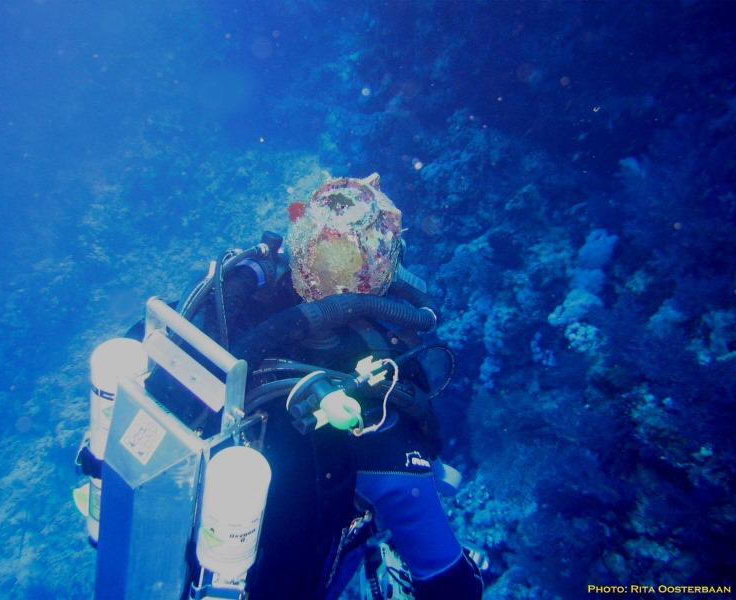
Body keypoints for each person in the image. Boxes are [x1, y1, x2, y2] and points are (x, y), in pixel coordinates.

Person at [143, 174, 483, 599]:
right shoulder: (377, 404)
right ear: (381, 267)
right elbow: (449, 581)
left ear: (300, 237)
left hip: (158, 560)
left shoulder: (223, 311)